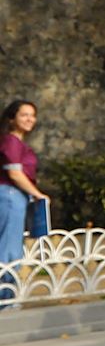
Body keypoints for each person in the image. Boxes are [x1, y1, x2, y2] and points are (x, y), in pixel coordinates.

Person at [1, 100, 47, 307]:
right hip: (10, 195)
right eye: (24, 115)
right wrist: (38, 194)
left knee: (10, 247)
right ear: (12, 119)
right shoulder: (11, 141)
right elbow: (15, 173)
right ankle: (6, 300)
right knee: (9, 250)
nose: (30, 119)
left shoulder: (18, 143)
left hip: (16, 197)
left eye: (33, 115)